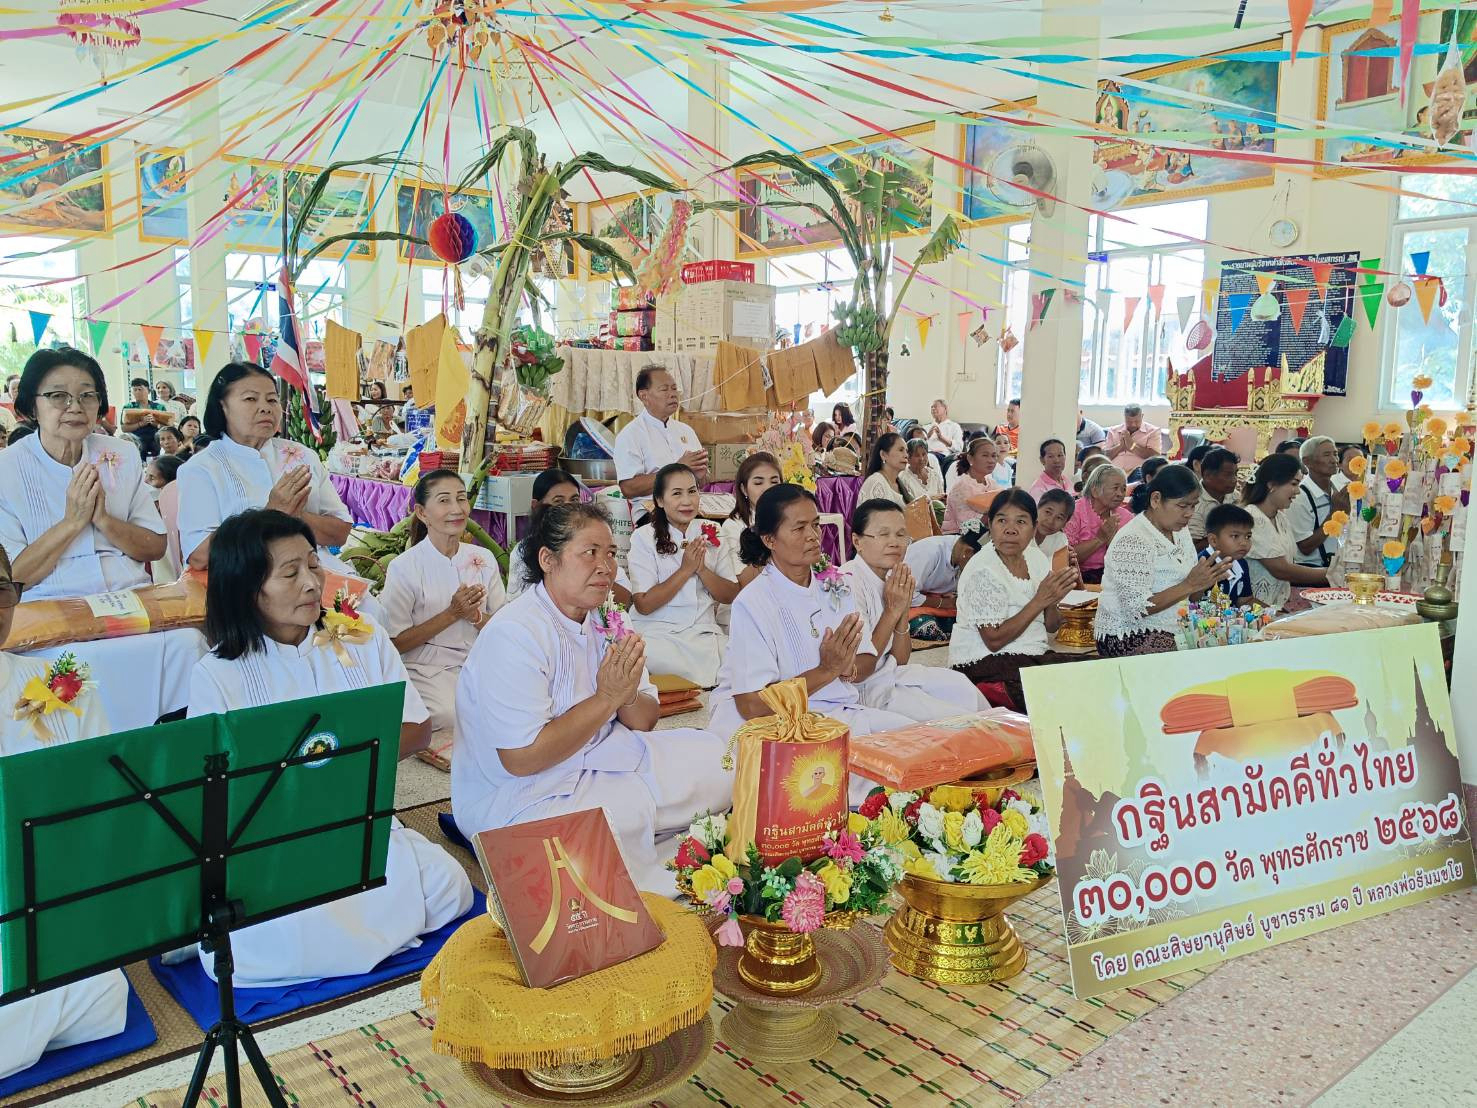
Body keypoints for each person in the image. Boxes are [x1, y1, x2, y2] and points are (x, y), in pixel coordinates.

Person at [188, 509, 473, 987]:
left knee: (453, 888)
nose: (310, 583)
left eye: (313, 564)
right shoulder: (217, 672)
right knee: (247, 948)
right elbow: (211, 785)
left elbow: (418, 728)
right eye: (289, 573)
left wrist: (342, 767)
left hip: (357, 823)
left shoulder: (362, 638)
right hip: (275, 841)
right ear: (247, 586)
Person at [453, 502, 731, 892]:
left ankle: (664, 840)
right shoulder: (514, 633)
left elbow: (644, 720)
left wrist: (625, 693)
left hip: (611, 757)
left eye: (611, 553)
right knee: (597, 829)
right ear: (548, 560)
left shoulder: (611, 616)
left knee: (722, 763)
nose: (606, 567)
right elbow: (520, 759)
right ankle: (669, 848)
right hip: (525, 793)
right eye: (590, 552)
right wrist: (606, 698)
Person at [0, 545, 130, 1080]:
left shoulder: (59, 682)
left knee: (104, 994)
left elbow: (104, 805)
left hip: (45, 901)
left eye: (0, 590)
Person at [707, 485, 912, 800]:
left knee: (916, 745)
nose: (814, 536)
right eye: (799, 528)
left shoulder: (836, 584)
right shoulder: (753, 601)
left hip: (839, 711)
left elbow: (864, 663)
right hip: (777, 725)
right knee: (838, 781)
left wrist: (847, 667)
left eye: (815, 525)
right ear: (770, 540)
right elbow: (751, 706)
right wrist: (827, 670)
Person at [0, 348, 166, 600]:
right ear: (33, 407)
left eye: (87, 395)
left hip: (128, 596)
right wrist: (72, 522)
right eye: (58, 396)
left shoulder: (121, 454)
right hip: (49, 603)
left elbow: (155, 547)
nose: (76, 407)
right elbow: (12, 578)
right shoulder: (7, 468)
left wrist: (104, 520)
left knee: (193, 626)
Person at [382, 469, 507, 769]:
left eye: (461, 499)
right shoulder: (404, 567)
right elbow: (394, 642)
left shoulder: (483, 559)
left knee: (509, 704)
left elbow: (504, 629)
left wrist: (474, 615)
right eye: (444, 500)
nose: (456, 508)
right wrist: (451, 614)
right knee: (451, 714)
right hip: (427, 668)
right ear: (422, 513)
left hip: (478, 661)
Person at [178, 362, 353, 574]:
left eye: (272, 399)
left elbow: (340, 532)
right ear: (222, 406)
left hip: (313, 572)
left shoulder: (302, 456)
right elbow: (199, 555)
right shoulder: (202, 467)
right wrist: (272, 514)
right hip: (243, 578)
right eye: (250, 399)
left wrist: (296, 515)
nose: (265, 408)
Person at [842, 500, 985, 721]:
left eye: (901, 535)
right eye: (883, 534)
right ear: (857, 541)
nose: (894, 543)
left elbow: (900, 659)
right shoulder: (848, 583)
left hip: (892, 674)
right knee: (955, 720)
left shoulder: (893, 577)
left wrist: (901, 612)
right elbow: (860, 671)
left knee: (964, 689)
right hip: (865, 690)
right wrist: (892, 611)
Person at [949, 489, 1082, 710]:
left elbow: (1051, 626)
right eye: (1002, 521)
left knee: (1102, 672)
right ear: (990, 525)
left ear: (1034, 528)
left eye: (1021, 521)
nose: (1010, 530)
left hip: (1030, 657)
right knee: (1068, 695)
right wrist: (1040, 600)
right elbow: (993, 641)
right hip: (983, 665)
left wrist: (1052, 599)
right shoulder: (983, 568)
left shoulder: (1036, 558)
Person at [1096, 465, 1231, 657]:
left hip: (1174, 627)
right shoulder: (1133, 539)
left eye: (1193, 506)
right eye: (1182, 506)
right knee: (1197, 657)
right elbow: (1136, 609)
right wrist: (1190, 584)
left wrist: (1205, 580)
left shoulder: (1181, 531)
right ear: (1156, 499)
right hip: (1127, 636)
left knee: (1227, 641)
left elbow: (1191, 596)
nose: (1189, 513)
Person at [627, 462, 737, 686]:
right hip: (659, 632)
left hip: (703, 632)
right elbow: (643, 604)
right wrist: (686, 570)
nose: (687, 501)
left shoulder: (712, 530)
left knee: (740, 657)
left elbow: (730, 594)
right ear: (660, 500)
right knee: (650, 655)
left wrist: (702, 570)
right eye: (677, 493)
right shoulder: (643, 537)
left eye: (692, 491)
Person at [1243, 453, 1329, 610]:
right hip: (1255, 610)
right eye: (1294, 484)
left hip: (1277, 606)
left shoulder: (1280, 518)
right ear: (1272, 484)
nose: (1298, 491)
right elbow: (1281, 569)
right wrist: (1330, 574)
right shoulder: (1252, 518)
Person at [614, 365, 708, 497]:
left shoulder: (686, 431)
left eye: (674, 388)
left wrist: (699, 476)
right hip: (650, 507)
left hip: (690, 504)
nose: (673, 394)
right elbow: (628, 489)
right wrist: (677, 469)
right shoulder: (630, 435)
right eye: (664, 389)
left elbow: (702, 481)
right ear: (644, 396)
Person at [717, 450, 781, 588]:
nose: (767, 489)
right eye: (758, 483)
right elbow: (743, 581)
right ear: (744, 489)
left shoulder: (789, 519)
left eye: (774, 482)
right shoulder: (733, 526)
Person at [1287, 436, 1350, 569]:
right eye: (1326, 455)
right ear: (1307, 461)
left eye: (1335, 454)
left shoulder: (1338, 489)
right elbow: (1305, 547)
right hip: (1311, 570)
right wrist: (1335, 514)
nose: (1334, 460)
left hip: (1337, 566)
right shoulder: (1299, 496)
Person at [1065, 463, 1131, 585]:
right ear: (1095, 491)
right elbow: (1066, 558)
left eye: (1123, 489)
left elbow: (1128, 560)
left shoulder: (1126, 517)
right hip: (1076, 578)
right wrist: (1100, 539)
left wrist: (1112, 542)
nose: (1120, 494)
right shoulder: (1075, 512)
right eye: (1115, 488)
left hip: (1113, 578)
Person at [943, 436, 1003, 534]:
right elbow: (969, 529)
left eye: (994, 456)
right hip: (958, 538)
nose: (991, 460)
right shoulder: (961, 488)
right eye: (985, 455)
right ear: (970, 458)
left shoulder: (991, 483)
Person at [1200, 503, 1255, 606]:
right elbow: (1192, 601)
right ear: (1213, 540)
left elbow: (1245, 601)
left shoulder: (1241, 563)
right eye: (1235, 536)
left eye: (1248, 536)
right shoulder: (1202, 564)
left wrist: (1276, 613)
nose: (1244, 543)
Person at [1188, 446, 1241, 545]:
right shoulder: (1193, 502)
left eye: (1235, 474)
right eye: (1228, 475)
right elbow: (1194, 546)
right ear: (1208, 476)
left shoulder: (1235, 496)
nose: (1234, 480)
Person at [859, 431, 926, 507]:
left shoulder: (899, 483)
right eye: (901, 450)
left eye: (906, 451)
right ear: (883, 455)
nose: (906, 455)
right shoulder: (876, 482)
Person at [1103, 404, 1163, 473]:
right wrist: (1120, 446)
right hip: (1113, 472)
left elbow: (1155, 457)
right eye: (1129, 421)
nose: (1133, 425)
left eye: (1137, 421)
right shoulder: (1113, 431)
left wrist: (1132, 445)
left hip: (1139, 473)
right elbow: (1105, 456)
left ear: (1142, 416)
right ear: (1124, 417)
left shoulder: (1153, 431)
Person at [119, 377, 169, 458]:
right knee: (138, 443)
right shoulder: (128, 407)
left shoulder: (159, 407)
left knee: (157, 441)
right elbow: (124, 428)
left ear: (148, 391)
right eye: (135, 390)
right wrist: (141, 423)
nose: (137, 392)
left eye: (140, 389)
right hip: (136, 437)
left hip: (155, 437)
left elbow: (167, 428)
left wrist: (155, 423)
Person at [1035, 487, 1075, 560]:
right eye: (1048, 512)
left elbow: (1059, 565)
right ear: (1037, 508)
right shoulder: (1022, 532)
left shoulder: (1060, 540)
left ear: (1065, 523)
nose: (1050, 521)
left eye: (1059, 517)